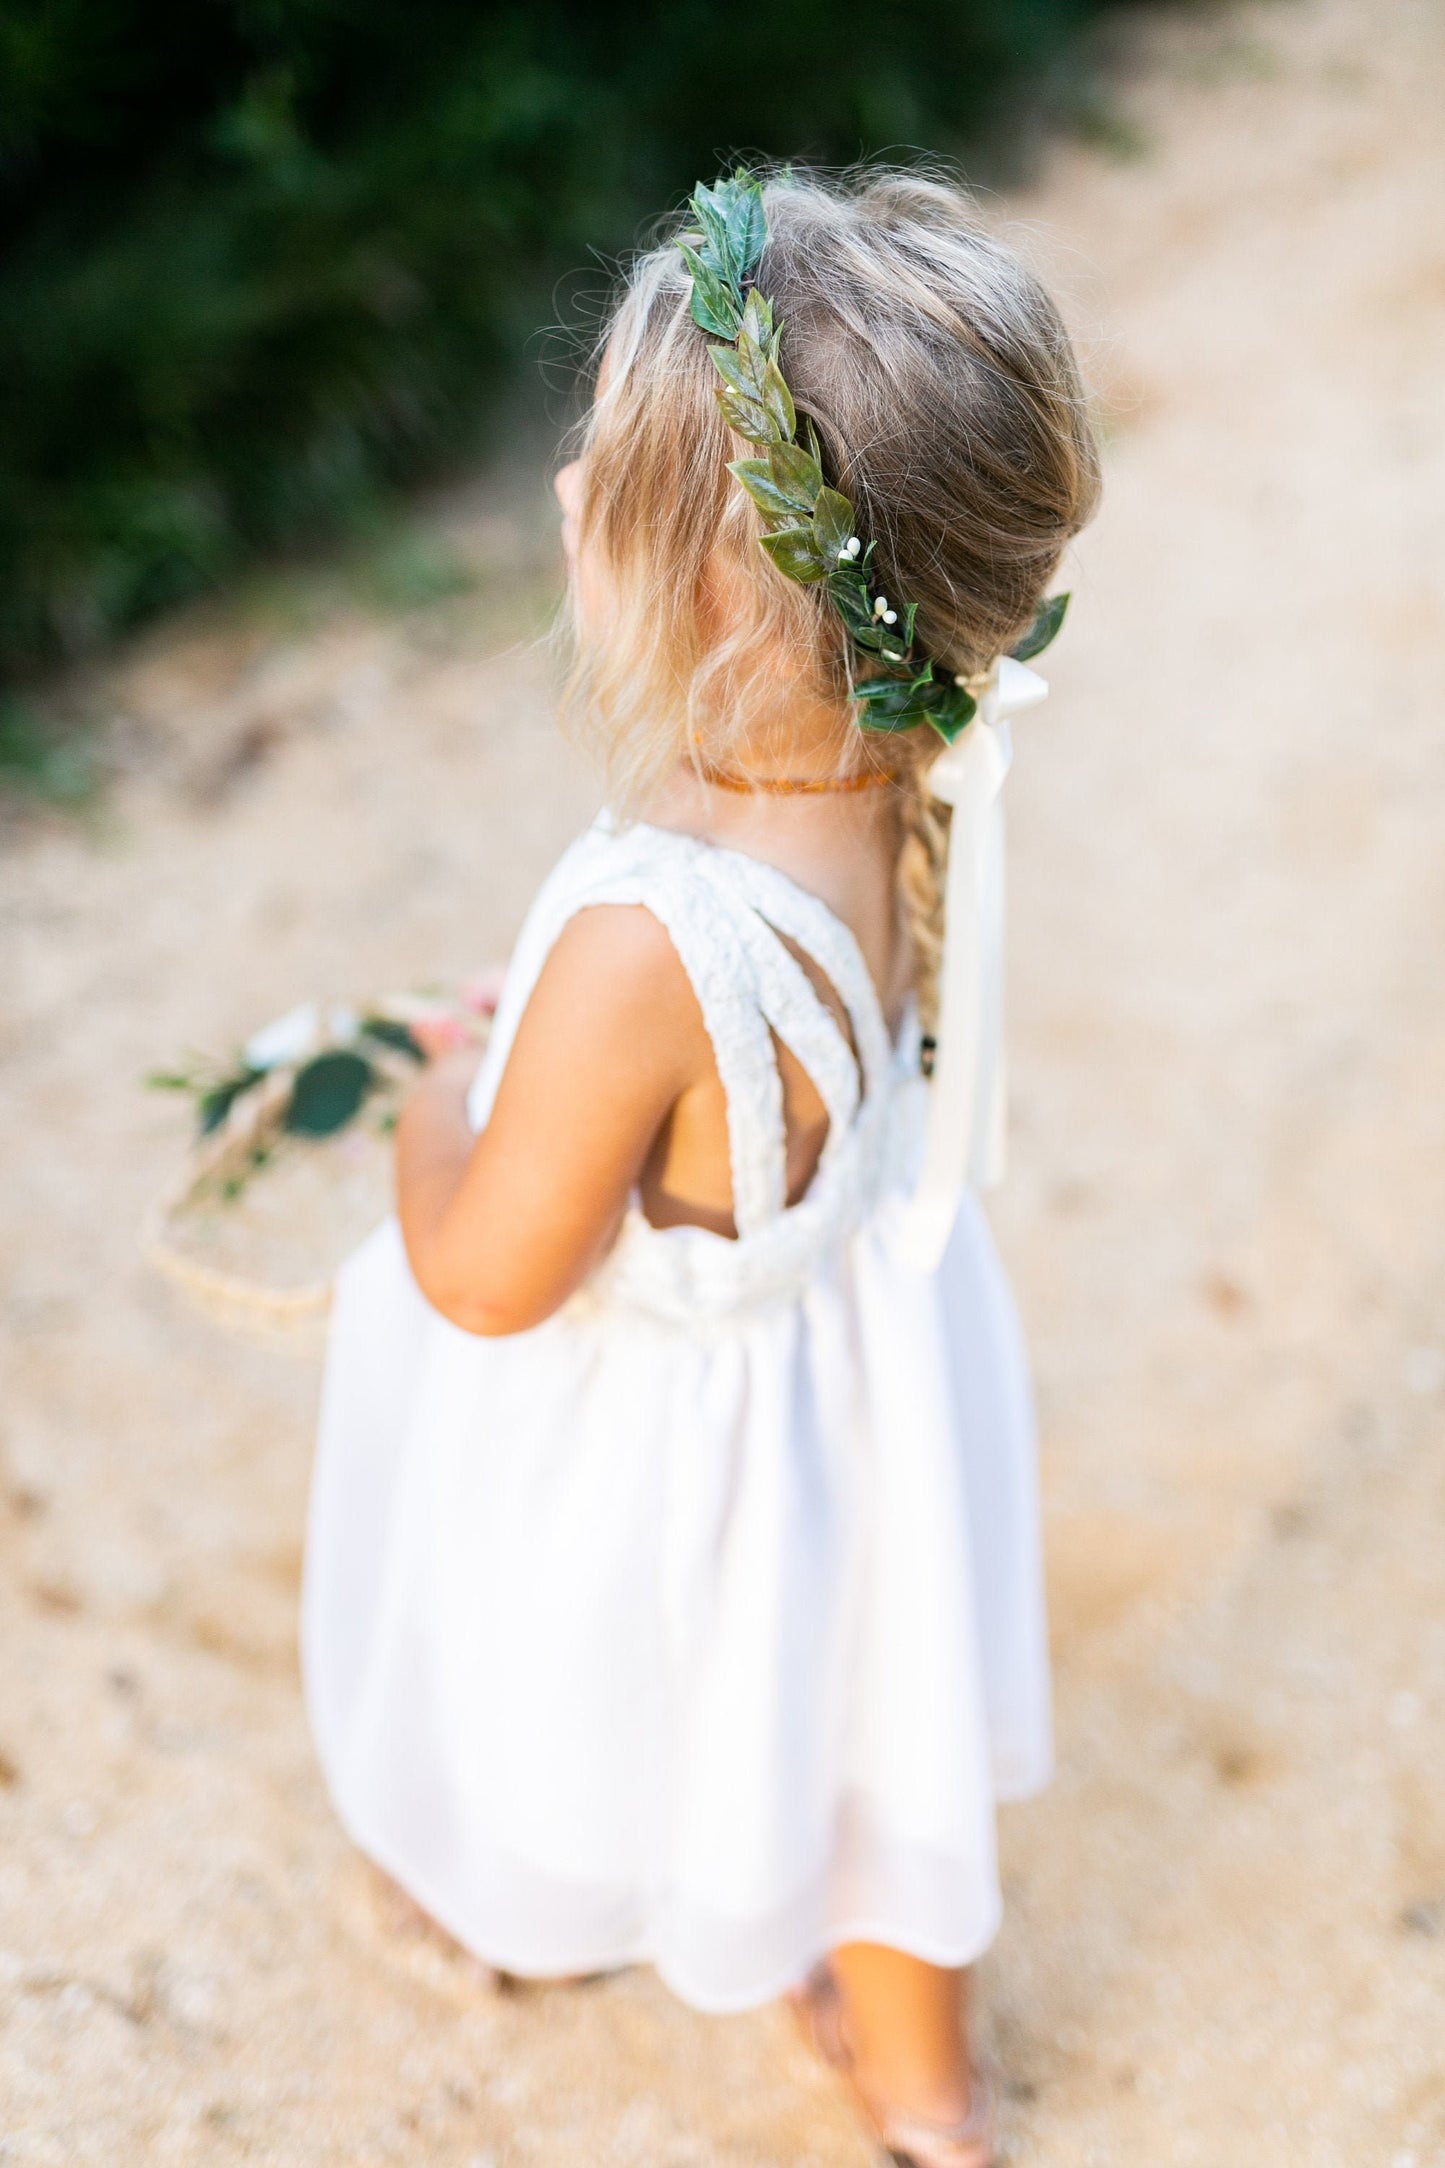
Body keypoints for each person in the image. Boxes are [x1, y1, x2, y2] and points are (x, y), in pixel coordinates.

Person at [303, 165, 1100, 2168]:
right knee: (874, 1731)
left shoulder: (647, 938)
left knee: (655, 1688)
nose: (566, 491)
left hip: (694, 1440)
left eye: (607, 476)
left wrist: (427, 1092)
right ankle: (927, 2087)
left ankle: (542, 1885)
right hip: (872, 1376)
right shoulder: (909, 741)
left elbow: (489, 1275)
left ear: (722, 590)